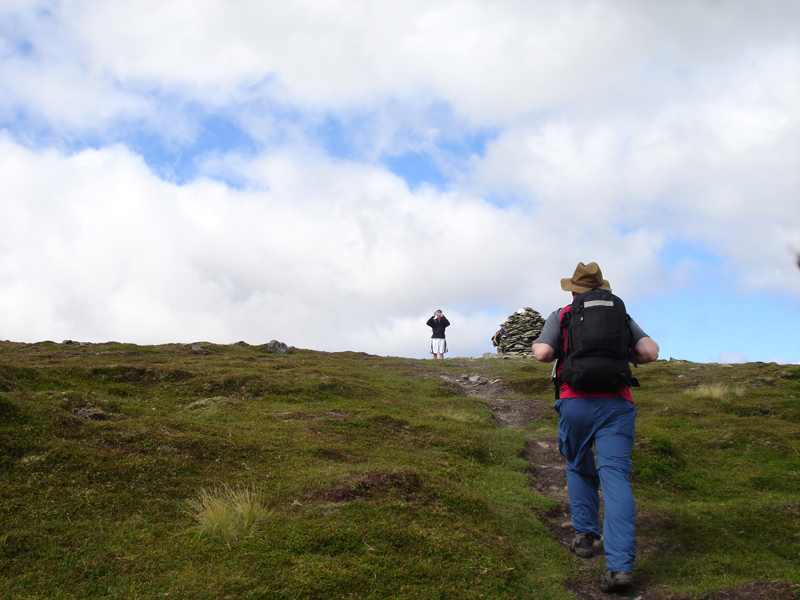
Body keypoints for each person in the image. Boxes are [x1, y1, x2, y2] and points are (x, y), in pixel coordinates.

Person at [531, 262, 659, 594]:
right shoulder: (620, 314)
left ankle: (586, 535)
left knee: (577, 464)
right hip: (617, 403)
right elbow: (650, 352)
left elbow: (544, 353)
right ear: (602, 288)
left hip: (575, 403)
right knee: (615, 476)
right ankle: (619, 569)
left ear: (573, 291)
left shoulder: (562, 314)